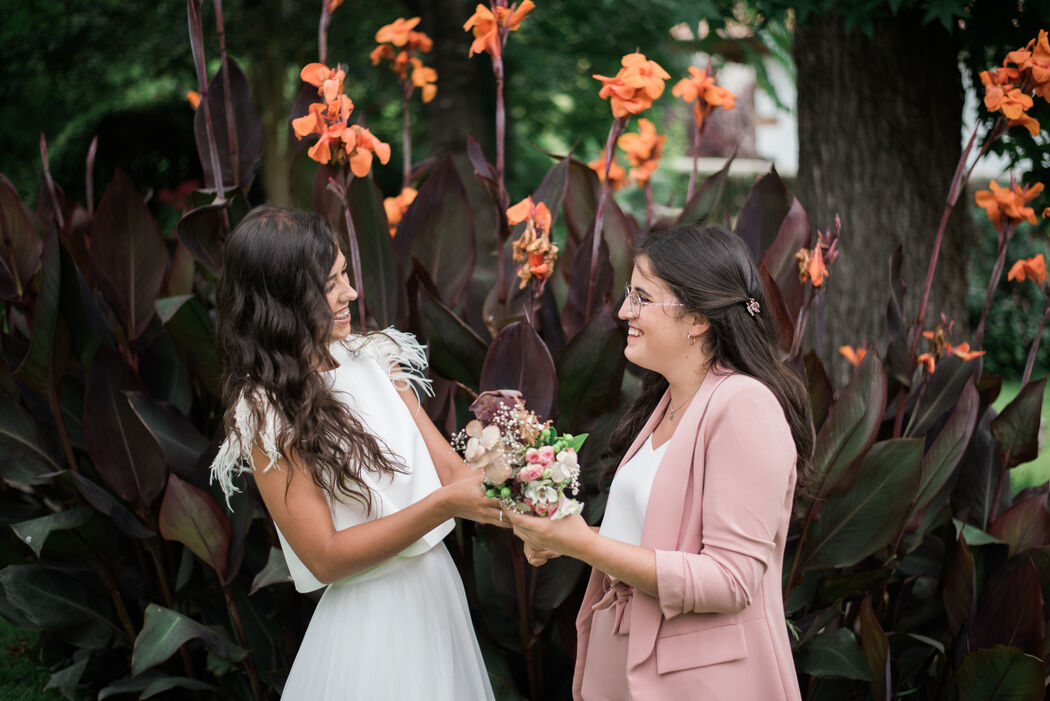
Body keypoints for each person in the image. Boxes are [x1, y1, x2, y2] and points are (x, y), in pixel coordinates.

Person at [507, 223, 811, 700]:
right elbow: (643, 538)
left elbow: (730, 580)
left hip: (701, 682)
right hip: (626, 667)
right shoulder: (667, 400)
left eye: (643, 298)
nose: (625, 310)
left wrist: (583, 543)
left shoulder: (745, 406)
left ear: (697, 319)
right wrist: (562, 538)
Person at [210, 206, 501, 700]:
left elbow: (452, 473)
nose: (351, 292)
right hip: (371, 622)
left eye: (345, 273)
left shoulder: (377, 356)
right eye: (330, 283)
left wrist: (535, 488)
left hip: (436, 594)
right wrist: (442, 506)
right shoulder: (264, 411)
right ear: (283, 300)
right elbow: (324, 557)